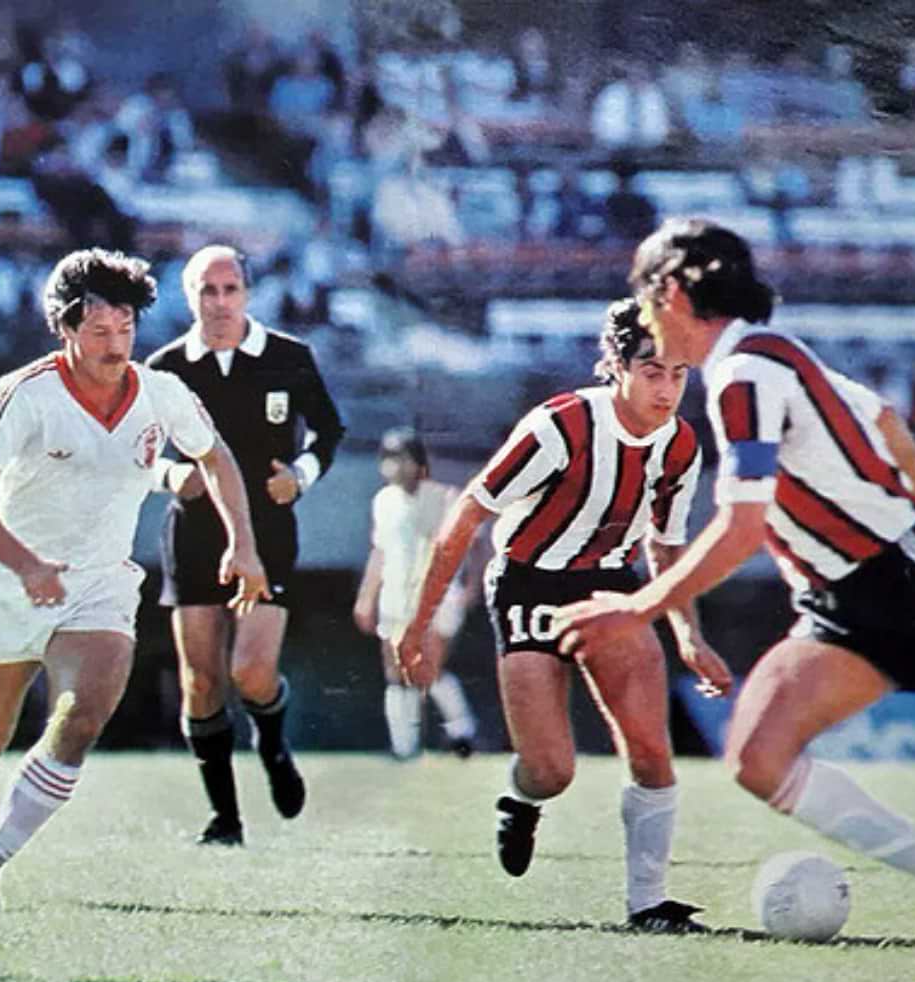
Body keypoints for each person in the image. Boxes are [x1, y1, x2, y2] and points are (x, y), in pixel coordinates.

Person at [554, 217, 915, 982]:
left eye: (642, 292)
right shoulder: (766, 357)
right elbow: (880, 417)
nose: (640, 308)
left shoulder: (745, 371)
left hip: (912, 584)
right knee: (758, 757)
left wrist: (639, 608)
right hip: (841, 603)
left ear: (669, 292)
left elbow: (739, 527)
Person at [396, 297, 732, 932]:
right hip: (529, 584)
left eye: (679, 373)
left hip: (610, 584)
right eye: (652, 371)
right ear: (617, 366)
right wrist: (418, 623)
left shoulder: (681, 446)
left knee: (651, 748)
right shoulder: (562, 426)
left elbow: (664, 545)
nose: (666, 390)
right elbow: (468, 515)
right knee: (551, 770)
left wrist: (688, 635)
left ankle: (648, 905)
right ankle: (521, 799)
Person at [0, 247, 269, 910]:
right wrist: (26, 564)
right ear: (65, 329)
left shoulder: (161, 394)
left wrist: (243, 544)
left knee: (83, 716)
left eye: (126, 329)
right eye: (99, 332)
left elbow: (216, 457)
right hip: (13, 584)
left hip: (99, 585)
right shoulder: (24, 395)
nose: (115, 345)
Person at [147, 244, 345, 846]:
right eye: (207, 290)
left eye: (230, 289)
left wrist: (301, 477)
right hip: (194, 532)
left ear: (248, 295)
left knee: (252, 672)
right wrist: (165, 475)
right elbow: (137, 448)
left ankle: (273, 741)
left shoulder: (287, 357)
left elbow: (329, 430)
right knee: (202, 682)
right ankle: (224, 818)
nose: (220, 302)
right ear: (189, 297)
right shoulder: (165, 367)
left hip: (267, 533)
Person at [353, 427, 479, 760]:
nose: (396, 466)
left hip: (435, 598)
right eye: (390, 459)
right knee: (395, 670)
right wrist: (367, 597)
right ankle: (403, 745)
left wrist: (471, 587)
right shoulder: (383, 501)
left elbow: (474, 543)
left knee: (427, 667)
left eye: (403, 458)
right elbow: (379, 551)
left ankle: (461, 730)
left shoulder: (444, 497)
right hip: (395, 595)